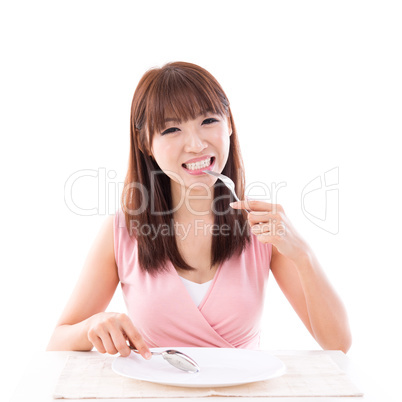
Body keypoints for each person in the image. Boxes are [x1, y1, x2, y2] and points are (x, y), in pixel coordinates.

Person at [47, 61, 352, 360]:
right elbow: (57, 341)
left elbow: (338, 344)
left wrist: (303, 254)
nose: (195, 144)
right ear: (145, 143)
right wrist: (93, 326)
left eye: (208, 121)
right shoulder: (122, 232)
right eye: (171, 129)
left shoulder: (262, 228)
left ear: (229, 124)